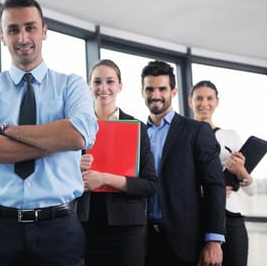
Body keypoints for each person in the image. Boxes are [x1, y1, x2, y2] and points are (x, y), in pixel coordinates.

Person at [0, 0, 98, 266]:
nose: (23, 37)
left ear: (44, 32)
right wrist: (54, 140)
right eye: (13, 30)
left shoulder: (72, 86)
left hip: (58, 229)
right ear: (2, 36)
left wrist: (9, 130)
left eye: (30, 27)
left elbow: (78, 135)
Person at [140, 60, 226, 266]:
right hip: (143, 238)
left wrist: (214, 239)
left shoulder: (196, 130)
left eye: (162, 89)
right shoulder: (137, 133)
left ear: (174, 91)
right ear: (142, 92)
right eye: (149, 89)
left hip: (184, 239)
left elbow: (214, 184)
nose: (155, 95)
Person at [77, 59, 157, 265]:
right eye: (97, 82)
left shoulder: (137, 128)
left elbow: (149, 185)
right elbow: (56, 175)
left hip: (127, 229)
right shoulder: (76, 128)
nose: (103, 88)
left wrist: (104, 178)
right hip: (83, 225)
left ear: (120, 86)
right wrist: (74, 167)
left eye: (110, 82)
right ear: (89, 86)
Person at [189, 80, 256, 266]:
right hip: (197, 217)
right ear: (190, 101)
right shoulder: (184, 136)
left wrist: (241, 170)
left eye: (210, 98)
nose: (204, 104)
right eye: (199, 98)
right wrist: (203, 190)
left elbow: (252, 191)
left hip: (231, 218)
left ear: (217, 101)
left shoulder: (231, 136)